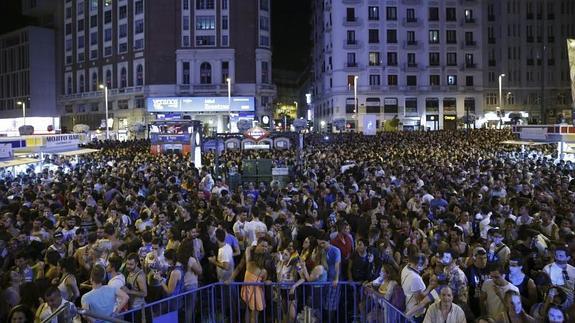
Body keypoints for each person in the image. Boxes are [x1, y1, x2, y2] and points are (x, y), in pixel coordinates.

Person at [240, 238, 268, 323]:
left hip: (247, 290)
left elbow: (248, 249)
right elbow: (263, 282)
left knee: (247, 312)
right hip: (257, 294)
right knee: (254, 316)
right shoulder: (263, 271)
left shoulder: (249, 264)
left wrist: (252, 247)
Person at [401, 252, 427, 322]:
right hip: (414, 314)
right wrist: (431, 287)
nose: (426, 267)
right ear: (419, 264)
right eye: (425, 265)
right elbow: (420, 300)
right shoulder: (416, 278)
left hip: (408, 308)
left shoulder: (406, 268)